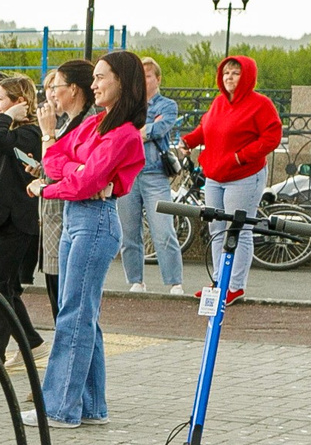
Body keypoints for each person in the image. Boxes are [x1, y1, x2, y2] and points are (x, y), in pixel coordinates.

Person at [25, 53, 147, 429]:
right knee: (81, 313)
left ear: (122, 81)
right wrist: (76, 170)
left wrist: (50, 187)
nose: (94, 85)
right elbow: (55, 160)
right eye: (93, 78)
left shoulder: (123, 133)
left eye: (100, 77)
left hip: (95, 221)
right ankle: (92, 407)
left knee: (74, 313)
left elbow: (85, 182)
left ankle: (60, 408)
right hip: (78, 218)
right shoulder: (95, 123)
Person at [182, 54, 283, 306]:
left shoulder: (260, 105)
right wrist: (189, 141)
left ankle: (235, 286)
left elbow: (272, 137)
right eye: (226, 73)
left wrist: (241, 156)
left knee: (239, 229)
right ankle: (219, 282)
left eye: (236, 73)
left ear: (247, 77)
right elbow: (206, 129)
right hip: (215, 176)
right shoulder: (218, 103)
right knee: (216, 229)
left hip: (244, 177)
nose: (229, 77)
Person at [0, 73, 46, 372]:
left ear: (20, 102)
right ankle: (32, 343)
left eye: (0, 99)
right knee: (1, 286)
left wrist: (10, 116)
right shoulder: (5, 133)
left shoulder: (28, 134)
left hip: (14, 220)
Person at [118, 55, 186, 295]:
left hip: (155, 173)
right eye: (140, 76)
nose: (143, 81)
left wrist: (137, 132)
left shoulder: (167, 105)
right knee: (129, 233)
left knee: (163, 230)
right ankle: (135, 280)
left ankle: (174, 282)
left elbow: (160, 128)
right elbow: (120, 133)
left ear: (158, 79)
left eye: (147, 76)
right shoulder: (127, 105)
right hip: (128, 174)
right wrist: (142, 130)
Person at [38, 64, 88, 314]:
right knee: (61, 303)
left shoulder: (86, 123)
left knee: (69, 307)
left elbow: (56, 170)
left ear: (74, 89)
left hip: (69, 219)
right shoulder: (71, 122)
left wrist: (47, 134)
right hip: (59, 219)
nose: (52, 93)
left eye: (56, 86)